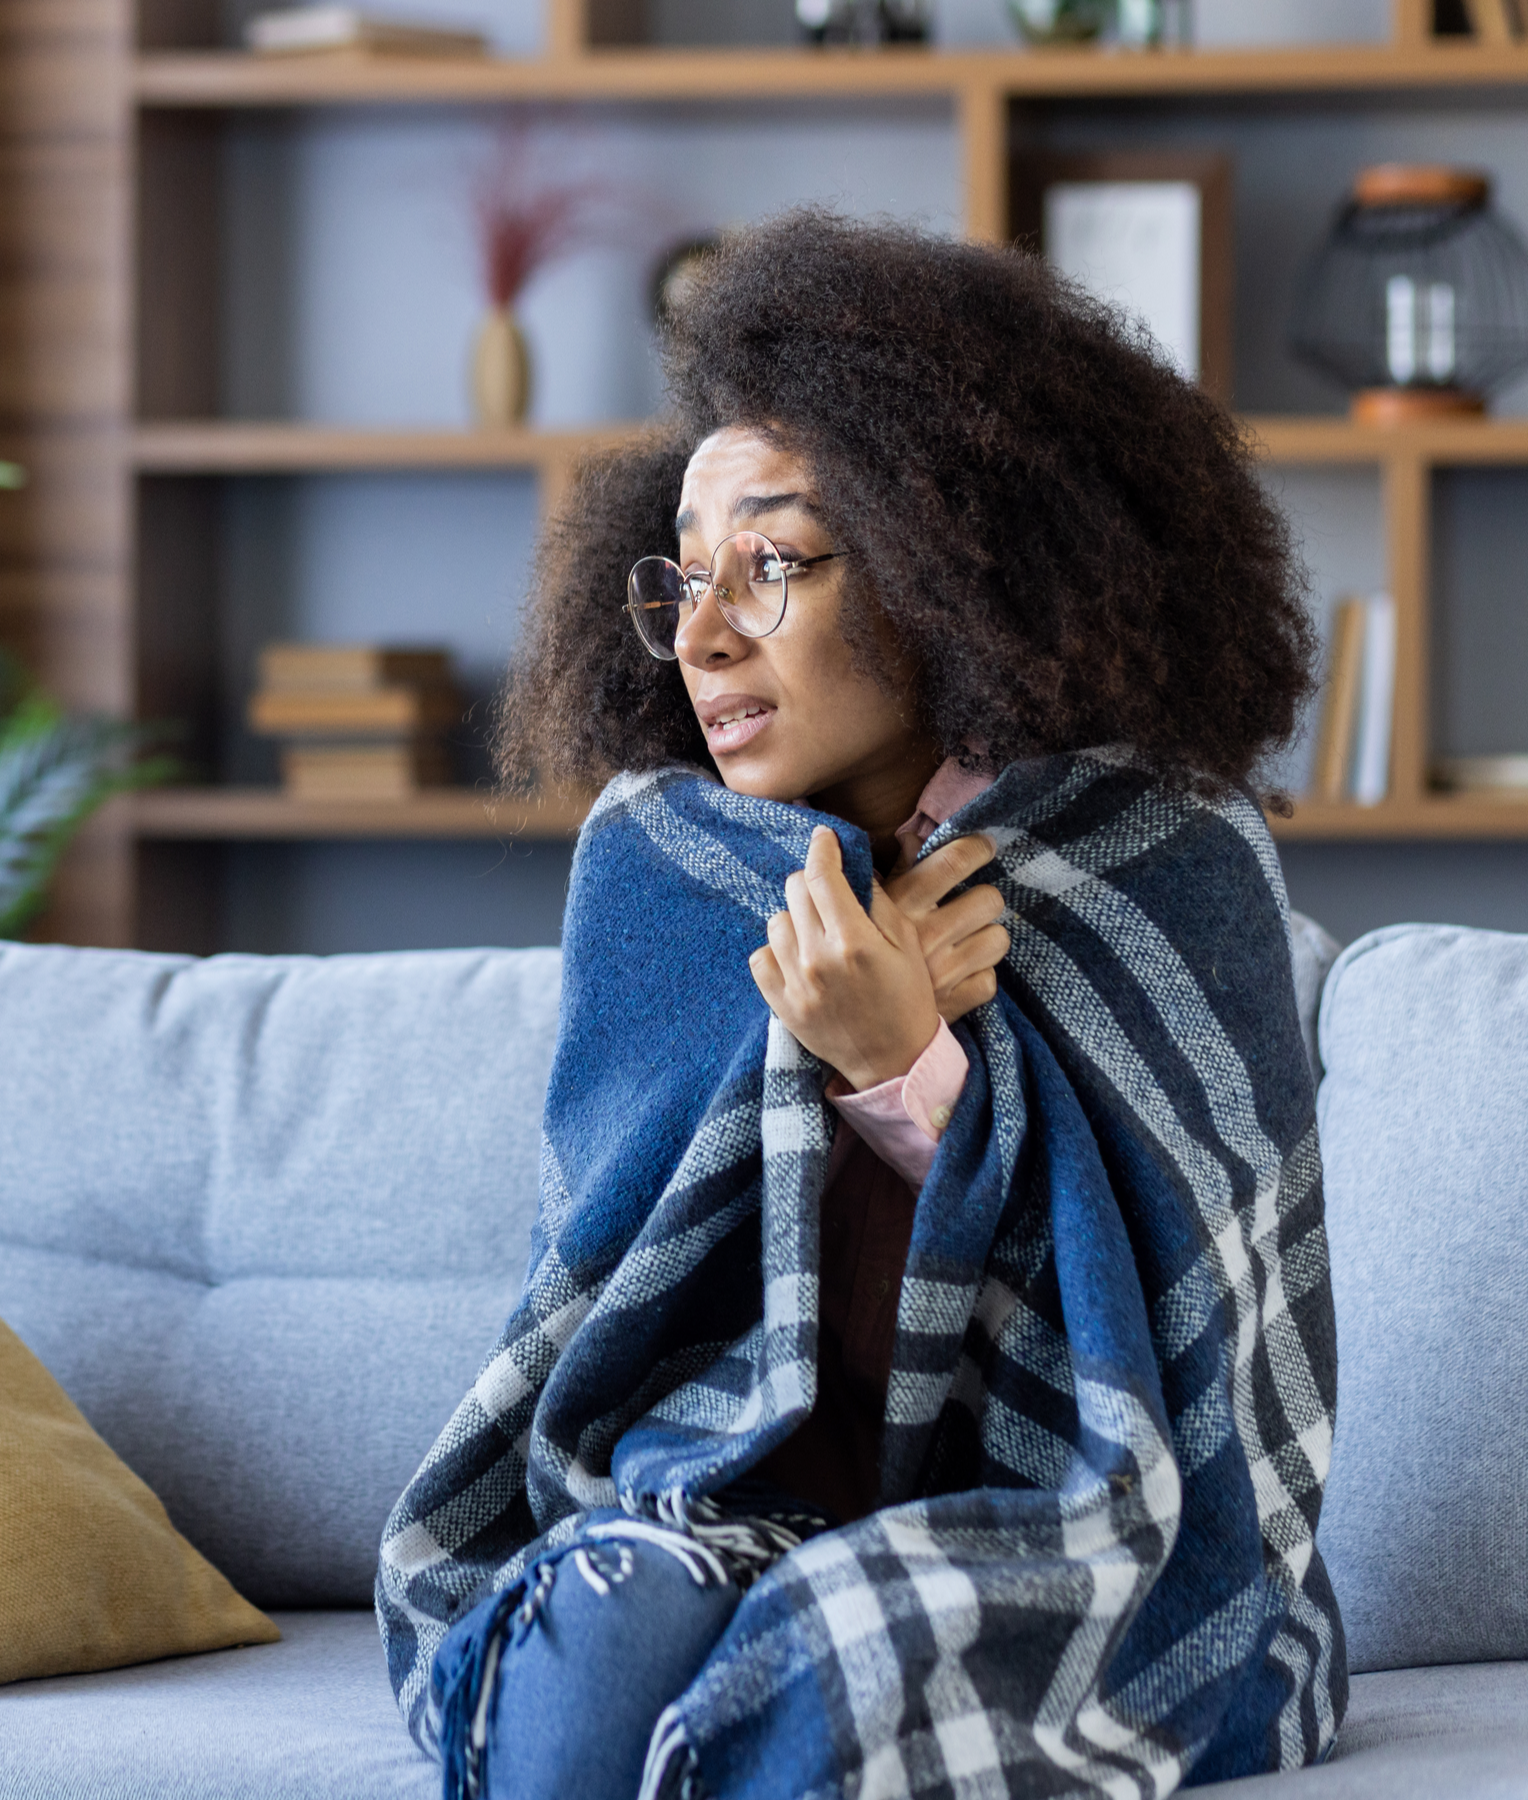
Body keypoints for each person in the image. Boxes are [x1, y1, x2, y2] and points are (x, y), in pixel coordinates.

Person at [376, 210, 1343, 1800]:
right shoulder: (661, 866)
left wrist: (910, 1069)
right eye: (683, 579)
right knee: (609, 1635)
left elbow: (1210, 1366)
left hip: (1072, 1529)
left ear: (948, 556)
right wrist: (809, 1049)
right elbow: (605, 1300)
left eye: (771, 562)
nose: (701, 637)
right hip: (730, 1496)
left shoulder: (1166, 861)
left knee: (846, 1648)